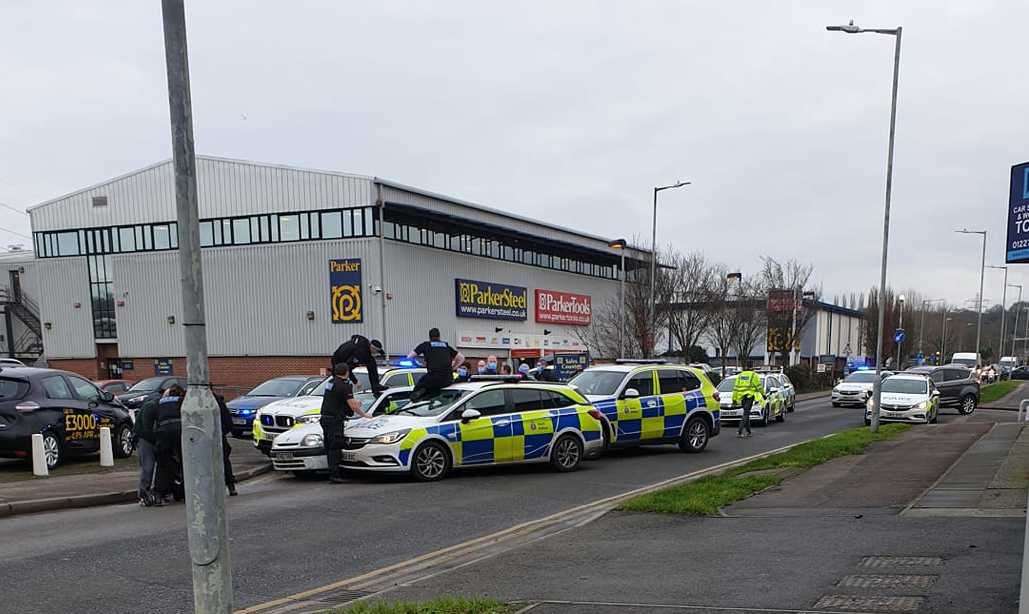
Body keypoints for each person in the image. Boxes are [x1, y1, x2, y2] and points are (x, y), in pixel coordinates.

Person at [321, 363, 372, 484]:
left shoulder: (331, 382)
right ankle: (335, 475)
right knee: (335, 447)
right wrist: (364, 415)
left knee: (329, 446)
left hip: (325, 418)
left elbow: (337, 398)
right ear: (347, 372)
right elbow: (352, 405)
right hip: (334, 420)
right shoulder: (344, 386)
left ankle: (333, 471)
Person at [408, 328, 465, 402]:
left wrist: (418, 364)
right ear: (439, 336)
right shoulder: (446, 346)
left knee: (417, 392)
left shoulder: (425, 345)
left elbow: (410, 357)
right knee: (435, 392)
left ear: (429, 337)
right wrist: (453, 368)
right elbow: (462, 358)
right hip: (447, 379)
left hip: (433, 378)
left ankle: (417, 403)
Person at [153, 385, 185, 504]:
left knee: (162, 464)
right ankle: (185, 491)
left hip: (163, 433)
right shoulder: (182, 401)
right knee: (185, 463)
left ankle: (158, 494)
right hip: (179, 431)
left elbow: (156, 419)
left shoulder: (160, 402)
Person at [134, 396, 159, 503]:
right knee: (148, 466)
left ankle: (149, 490)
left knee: (150, 466)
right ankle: (144, 492)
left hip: (150, 437)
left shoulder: (155, 406)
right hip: (145, 438)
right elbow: (146, 428)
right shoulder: (151, 407)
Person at [732, 363, 763, 439]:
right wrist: (763, 394)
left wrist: (734, 399)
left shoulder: (740, 375)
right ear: (752, 368)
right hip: (749, 396)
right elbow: (759, 386)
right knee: (746, 413)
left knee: (746, 413)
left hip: (741, 397)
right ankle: (739, 431)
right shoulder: (754, 375)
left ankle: (748, 431)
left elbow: (735, 388)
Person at [216, 393, 237, 496]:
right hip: (218, 436)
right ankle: (231, 486)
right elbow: (228, 421)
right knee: (224, 461)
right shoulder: (218, 402)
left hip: (202, 438)